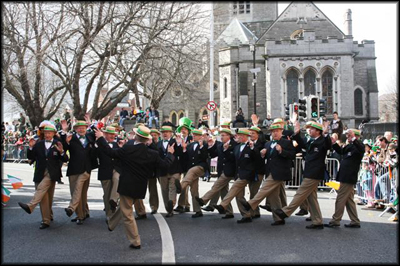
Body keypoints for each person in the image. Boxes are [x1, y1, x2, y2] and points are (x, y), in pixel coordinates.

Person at [94, 125, 175, 249]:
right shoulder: (152, 154)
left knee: (127, 214)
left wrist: (100, 138)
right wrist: (170, 154)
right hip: (140, 187)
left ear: (136, 136)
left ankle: (135, 241)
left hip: (127, 185)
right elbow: (165, 165)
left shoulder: (128, 149)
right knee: (125, 207)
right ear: (146, 139)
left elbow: (110, 152)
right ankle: (111, 223)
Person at [274, 120, 331, 229]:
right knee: (311, 198)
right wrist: (297, 133)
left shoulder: (323, 141)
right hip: (309, 171)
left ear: (318, 131)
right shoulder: (310, 141)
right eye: (308, 128)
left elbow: (328, 144)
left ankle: (286, 211)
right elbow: (302, 144)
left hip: (314, 173)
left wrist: (326, 132)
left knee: (300, 193)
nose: (309, 130)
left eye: (312, 128)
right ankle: (317, 221)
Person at [240, 122, 296, 226]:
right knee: (274, 196)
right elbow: (268, 158)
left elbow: (292, 155)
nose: (275, 133)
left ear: (281, 132)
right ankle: (278, 218)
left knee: (264, 189)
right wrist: (263, 154)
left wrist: (281, 151)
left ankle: (251, 204)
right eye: (273, 131)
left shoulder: (286, 143)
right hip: (270, 172)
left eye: (277, 131)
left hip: (280, 172)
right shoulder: (268, 144)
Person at [18, 124, 68, 229]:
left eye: (49, 133)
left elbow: (65, 159)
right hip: (40, 172)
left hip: (52, 173)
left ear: (54, 133)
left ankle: (31, 206)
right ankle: (46, 219)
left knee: (41, 190)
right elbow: (31, 157)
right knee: (45, 198)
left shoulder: (57, 143)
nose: (47, 135)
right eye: (45, 133)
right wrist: (31, 148)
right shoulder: (39, 144)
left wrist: (62, 152)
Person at [214, 128, 258, 223]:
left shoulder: (251, 146)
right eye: (239, 135)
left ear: (247, 137)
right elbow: (231, 159)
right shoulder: (237, 147)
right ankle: (246, 215)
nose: (240, 137)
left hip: (247, 174)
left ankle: (223, 205)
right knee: (239, 196)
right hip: (238, 174)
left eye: (242, 135)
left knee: (234, 187)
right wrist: (226, 149)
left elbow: (257, 158)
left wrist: (252, 148)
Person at [324, 129, 364, 228]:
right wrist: (333, 143)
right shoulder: (349, 147)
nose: (348, 138)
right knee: (349, 200)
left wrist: (354, 138)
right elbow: (341, 151)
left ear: (356, 136)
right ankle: (355, 220)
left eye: (349, 136)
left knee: (340, 198)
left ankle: (335, 220)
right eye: (347, 136)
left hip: (349, 177)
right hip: (344, 176)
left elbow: (361, 149)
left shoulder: (359, 147)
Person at [61, 118, 97, 225]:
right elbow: (63, 147)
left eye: (83, 128)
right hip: (74, 169)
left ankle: (78, 213)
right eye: (79, 128)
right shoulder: (70, 138)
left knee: (81, 191)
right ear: (75, 129)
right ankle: (82, 213)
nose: (81, 130)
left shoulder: (90, 137)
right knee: (76, 192)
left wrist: (92, 124)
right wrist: (64, 133)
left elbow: (99, 134)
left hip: (86, 169)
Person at [195, 128, 238, 219]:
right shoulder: (219, 145)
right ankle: (229, 212)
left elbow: (233, 158)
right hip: (221, 170)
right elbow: (212, 155)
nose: (221, 137)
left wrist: (226, 150)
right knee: (224, 191)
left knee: (216, 186)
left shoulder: (234, 144)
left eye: (223, 135)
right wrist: (210, 146)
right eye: (220, 135)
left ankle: (203, 200)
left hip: (230, 171)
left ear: (229, 136)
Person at [175, 129, 208, 218]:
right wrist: (184, 149)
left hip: (200, 167)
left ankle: (180, 187)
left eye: (196, 135)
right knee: (194, 189)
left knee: (192, 171)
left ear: (200, 136)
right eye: (193, 134)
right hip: (191, 169)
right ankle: (198, 210)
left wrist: (201, 147)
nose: (194, 136)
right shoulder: (189, 145)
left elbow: (205, 157)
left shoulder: (204, 144)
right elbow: (185, 159)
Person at [94, 126, 122, 222]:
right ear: (104, 134)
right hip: (105, 171)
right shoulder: (98, 144)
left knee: (117, 180)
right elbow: (94, 155)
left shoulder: (117, 144)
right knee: (106, 194)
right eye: (110, 134)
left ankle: (114, 200)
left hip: (115, 170)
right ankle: (109, 215)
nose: (112, 136)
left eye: (113, 134)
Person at [157, 126, 183, 217]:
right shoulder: (158, 143)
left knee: (172, 187)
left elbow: (181, 154)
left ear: (171, 133)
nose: (165, 133)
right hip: (162, 171)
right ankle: (168, 209)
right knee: (164, 190)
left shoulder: (175, 142)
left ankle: (171, 206)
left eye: (167, 132)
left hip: (174, 170)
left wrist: (179, 144)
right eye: (163, 132)